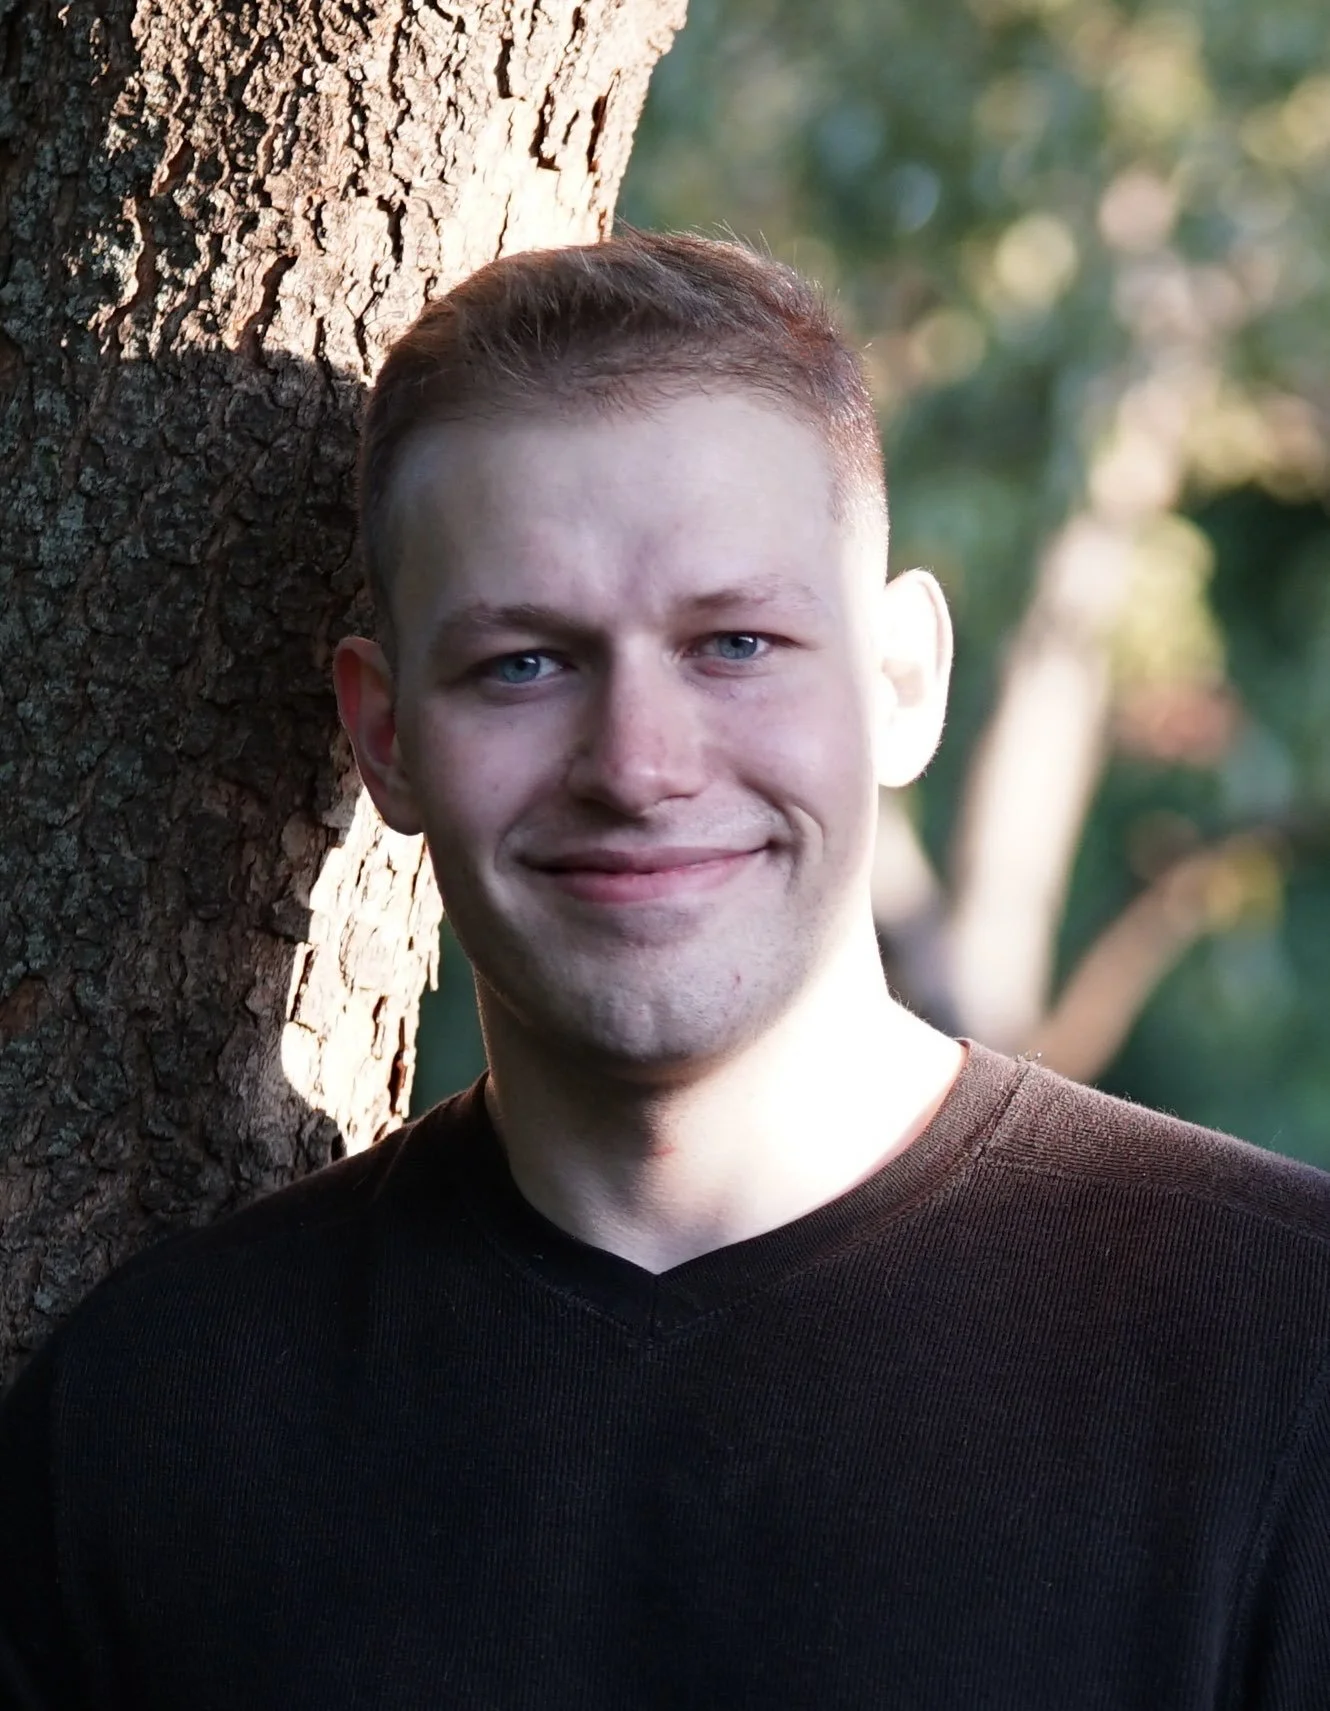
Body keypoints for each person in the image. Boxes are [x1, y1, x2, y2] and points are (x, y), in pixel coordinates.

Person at [1, 230, 1328, 1711]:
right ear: (381, 736)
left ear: (900, 684)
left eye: (737, 642)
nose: (637, 766)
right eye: (524, 662)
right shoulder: (156, 1421)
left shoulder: (1281, 1355)